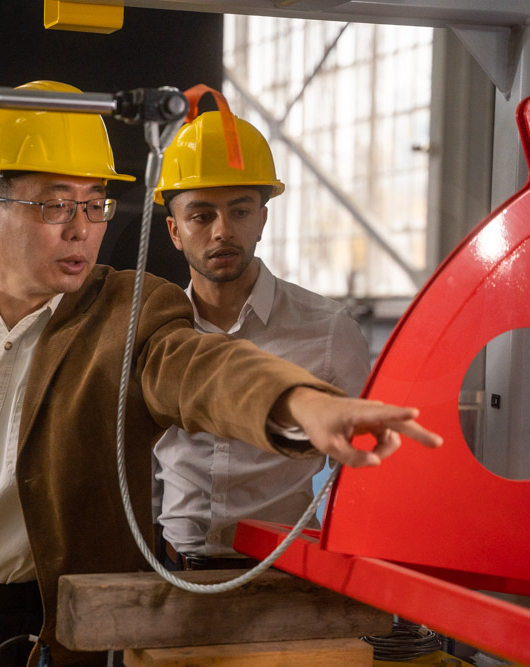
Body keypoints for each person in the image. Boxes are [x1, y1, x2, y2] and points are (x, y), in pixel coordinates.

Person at [0, 81, 442, 667]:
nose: (81, 228)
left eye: (94, 205)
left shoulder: (132, 309)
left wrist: (300, 403)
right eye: (55, 204)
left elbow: (199, 368)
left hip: (37, 629)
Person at [152, 111, 372, 570]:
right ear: (174, 230)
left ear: (262, 219)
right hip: (169, 566)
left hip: (285, 572)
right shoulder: (155, 332)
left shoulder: (328, 331)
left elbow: (362, 471)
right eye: (201, 215)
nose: (222, 231)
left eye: (240, 210)